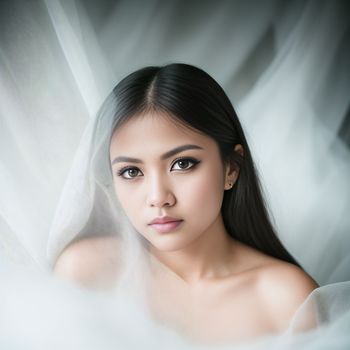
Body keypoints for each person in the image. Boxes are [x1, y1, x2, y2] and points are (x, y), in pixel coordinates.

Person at [53, 63, 318, 344]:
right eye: (131, 172)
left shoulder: (285, 299)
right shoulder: (87, 271)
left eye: (182, 164)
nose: (158, 197)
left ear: (231, 168)